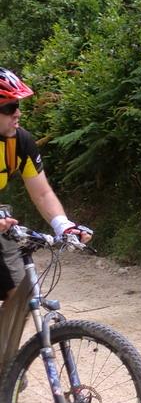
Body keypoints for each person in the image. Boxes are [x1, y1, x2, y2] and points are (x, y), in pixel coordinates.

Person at [0, 68, 92, 299]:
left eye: (18, 105)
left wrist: (63, 225)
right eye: (9, 107)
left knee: (22, 297)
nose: (18, 113)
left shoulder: (20, 142)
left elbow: (42, 193)